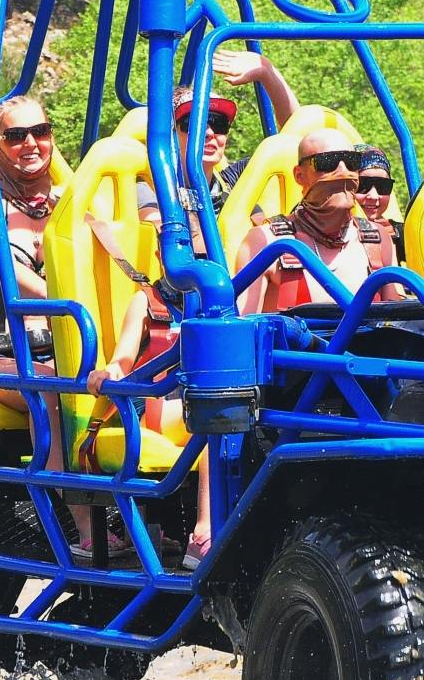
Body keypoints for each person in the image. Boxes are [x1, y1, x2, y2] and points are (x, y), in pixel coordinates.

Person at [0, 95, 112, 559]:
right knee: (56, 388)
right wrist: (75, 303)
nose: (31, 144)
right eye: (15, 136)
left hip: (61, 349)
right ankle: (85, 527)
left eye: (40, 131)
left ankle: (156, 520)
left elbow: (119, 262)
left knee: (129, 380)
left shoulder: (75, 204)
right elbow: (11, 279)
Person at [83, 215, 215, 570]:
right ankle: (204, 534)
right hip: (157, 403)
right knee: (214, 420)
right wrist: (108, 372)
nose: (194, 265)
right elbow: (123, 360)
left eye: (201, 256)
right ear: (162, 255)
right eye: (184, 254)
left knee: (237, 413)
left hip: (195, 400)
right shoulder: (146, 303)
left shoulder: (218, 305)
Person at [235, 129, 403, 314]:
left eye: (351, 162)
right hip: (292, 343)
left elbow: (396, 326)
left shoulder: (377, 240)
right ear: (299, 175)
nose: (343, 172)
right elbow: (243, 331)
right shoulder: (266, 241)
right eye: (327, 162)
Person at [137, 48, 299, 224]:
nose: (208, 132)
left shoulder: (234, 184)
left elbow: (297, 142)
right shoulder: (150, 190)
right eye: (192, 123)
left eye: (218, 123)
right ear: (170, 134)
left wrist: (267, 73)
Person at [352, 144, 405, 267]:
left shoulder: (400, 234)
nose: (374, 196)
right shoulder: (329, 233)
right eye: (363, 185)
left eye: (383, 186)